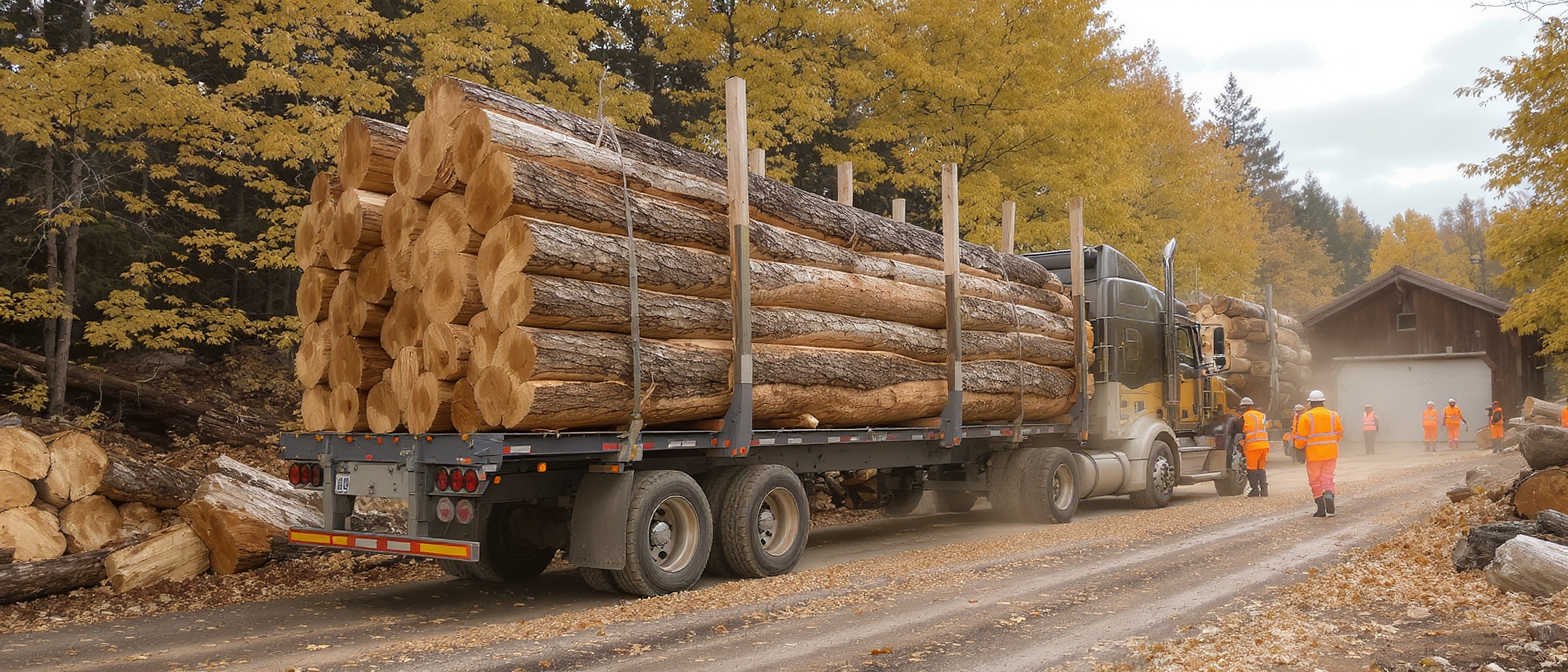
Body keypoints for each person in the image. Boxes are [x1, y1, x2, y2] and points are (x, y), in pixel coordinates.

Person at [1294, 389, 1343, 518]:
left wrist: (1298, 447)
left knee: (1315, 480)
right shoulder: (1333, 415)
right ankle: (1329, 496)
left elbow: (1301, 438)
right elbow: (1339, 433)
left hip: (1313, 454)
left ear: (1310, 403)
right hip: (1331, 452)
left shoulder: (1306, 417)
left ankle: (1321, 509)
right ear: (1323, 402)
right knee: (1328, 477)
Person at [1238, 397, 1269, 497]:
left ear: (1245, 407)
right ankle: (1264, 490)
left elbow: (1239, 430)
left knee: (1251, 469)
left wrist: (1241, 443)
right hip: (1264, 445)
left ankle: (1255, 490)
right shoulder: (1262, 415)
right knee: (1261, 468)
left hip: (1253, 446)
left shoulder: (1245, 417)